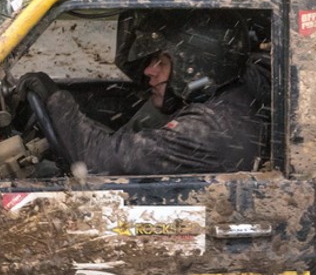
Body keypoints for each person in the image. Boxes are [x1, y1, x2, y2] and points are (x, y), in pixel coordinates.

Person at [15, 11, 269, 176]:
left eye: (162, 62)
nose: (149, 70)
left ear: (195, 67)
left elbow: (96, 160)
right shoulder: (230, 96)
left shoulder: (207, 133)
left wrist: (55, 100)